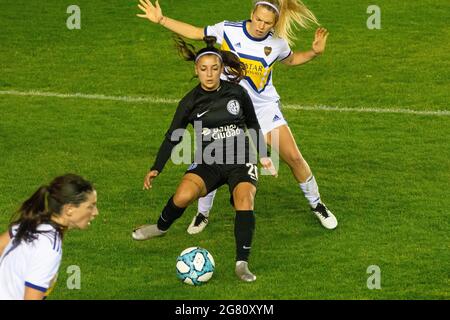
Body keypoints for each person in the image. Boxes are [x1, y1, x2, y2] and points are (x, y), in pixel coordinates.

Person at [137, 0, 338, 234]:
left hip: (263, 109)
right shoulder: (228, 30)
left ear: (275, 23)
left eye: (267, 23)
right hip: (226, 106)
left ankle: (317, 204)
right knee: (211, 157)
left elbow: (291, 59)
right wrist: (162, 19)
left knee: (293, 157)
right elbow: (195, 32)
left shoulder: (277, 44)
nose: (261, 26)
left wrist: (314, 52)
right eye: (258, 19)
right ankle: (202, 214)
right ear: (251, 14)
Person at [132, 36, 277, 282]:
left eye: (214, 69)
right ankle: (160, 227)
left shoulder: (237, 92)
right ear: (196, 70)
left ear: (221, 69)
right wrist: (156, 167)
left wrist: (263, 155)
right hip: (209, 160)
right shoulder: (190, 101)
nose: (209, 75)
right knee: (183, 196)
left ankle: (241, 264)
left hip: (240, 159)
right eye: (203, 69)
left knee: (244, 200)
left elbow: (252, 123)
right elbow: (173, 136)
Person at [0, 174, 98, 300]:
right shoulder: (49, 248)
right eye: (90, 206)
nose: (95, 212)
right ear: (69, 210)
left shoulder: (34, 223)